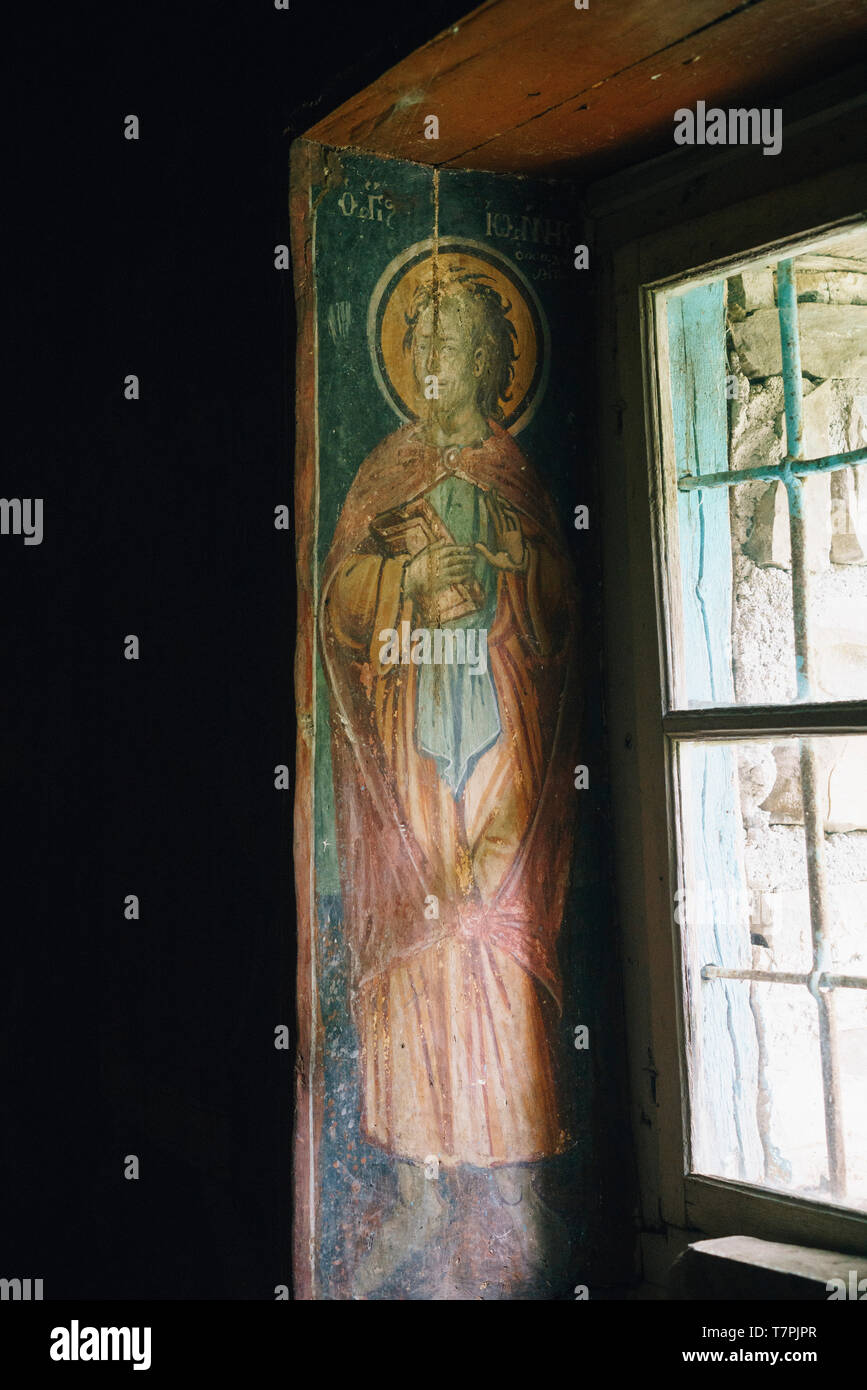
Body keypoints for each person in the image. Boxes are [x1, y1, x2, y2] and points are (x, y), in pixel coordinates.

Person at [319, 268, 579, 1295]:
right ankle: (423, 1171)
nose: (433, 361)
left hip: (500, 744)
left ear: (488, 361)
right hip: (409, 748)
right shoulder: (384, 474)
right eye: (418, 343)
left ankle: (504, 1183)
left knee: (490, 927)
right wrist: (406, 579)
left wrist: (508, 556)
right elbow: (338, 610)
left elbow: (559, 617)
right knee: (426, 930)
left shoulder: (519, 477)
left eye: (453, 341)